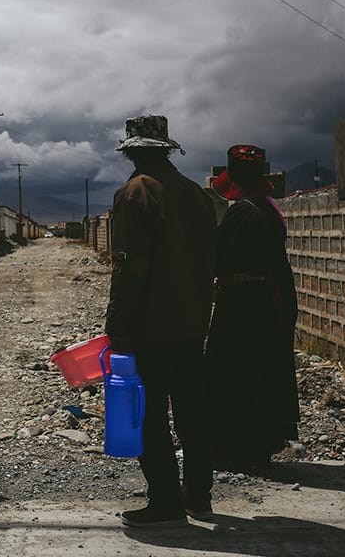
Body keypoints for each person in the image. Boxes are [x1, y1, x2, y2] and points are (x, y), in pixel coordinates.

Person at [104, 115, 218, 528]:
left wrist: (117, 326)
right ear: (166, 148)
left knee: (149, 417)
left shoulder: (133, 195)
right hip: (192, 323)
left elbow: (128, 269)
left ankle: (165, 501)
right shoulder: (197, 194)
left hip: (151, 328)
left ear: (132, 151)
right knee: (192, 413)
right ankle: (199, 497)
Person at [205, 144, 299, 469]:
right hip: (268, 299)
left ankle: (238, 449)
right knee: (261, 369)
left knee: (235, 370)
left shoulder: (242, 211)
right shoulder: (268, 209)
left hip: (243, 302)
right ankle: (257, 445)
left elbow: (221, 257)